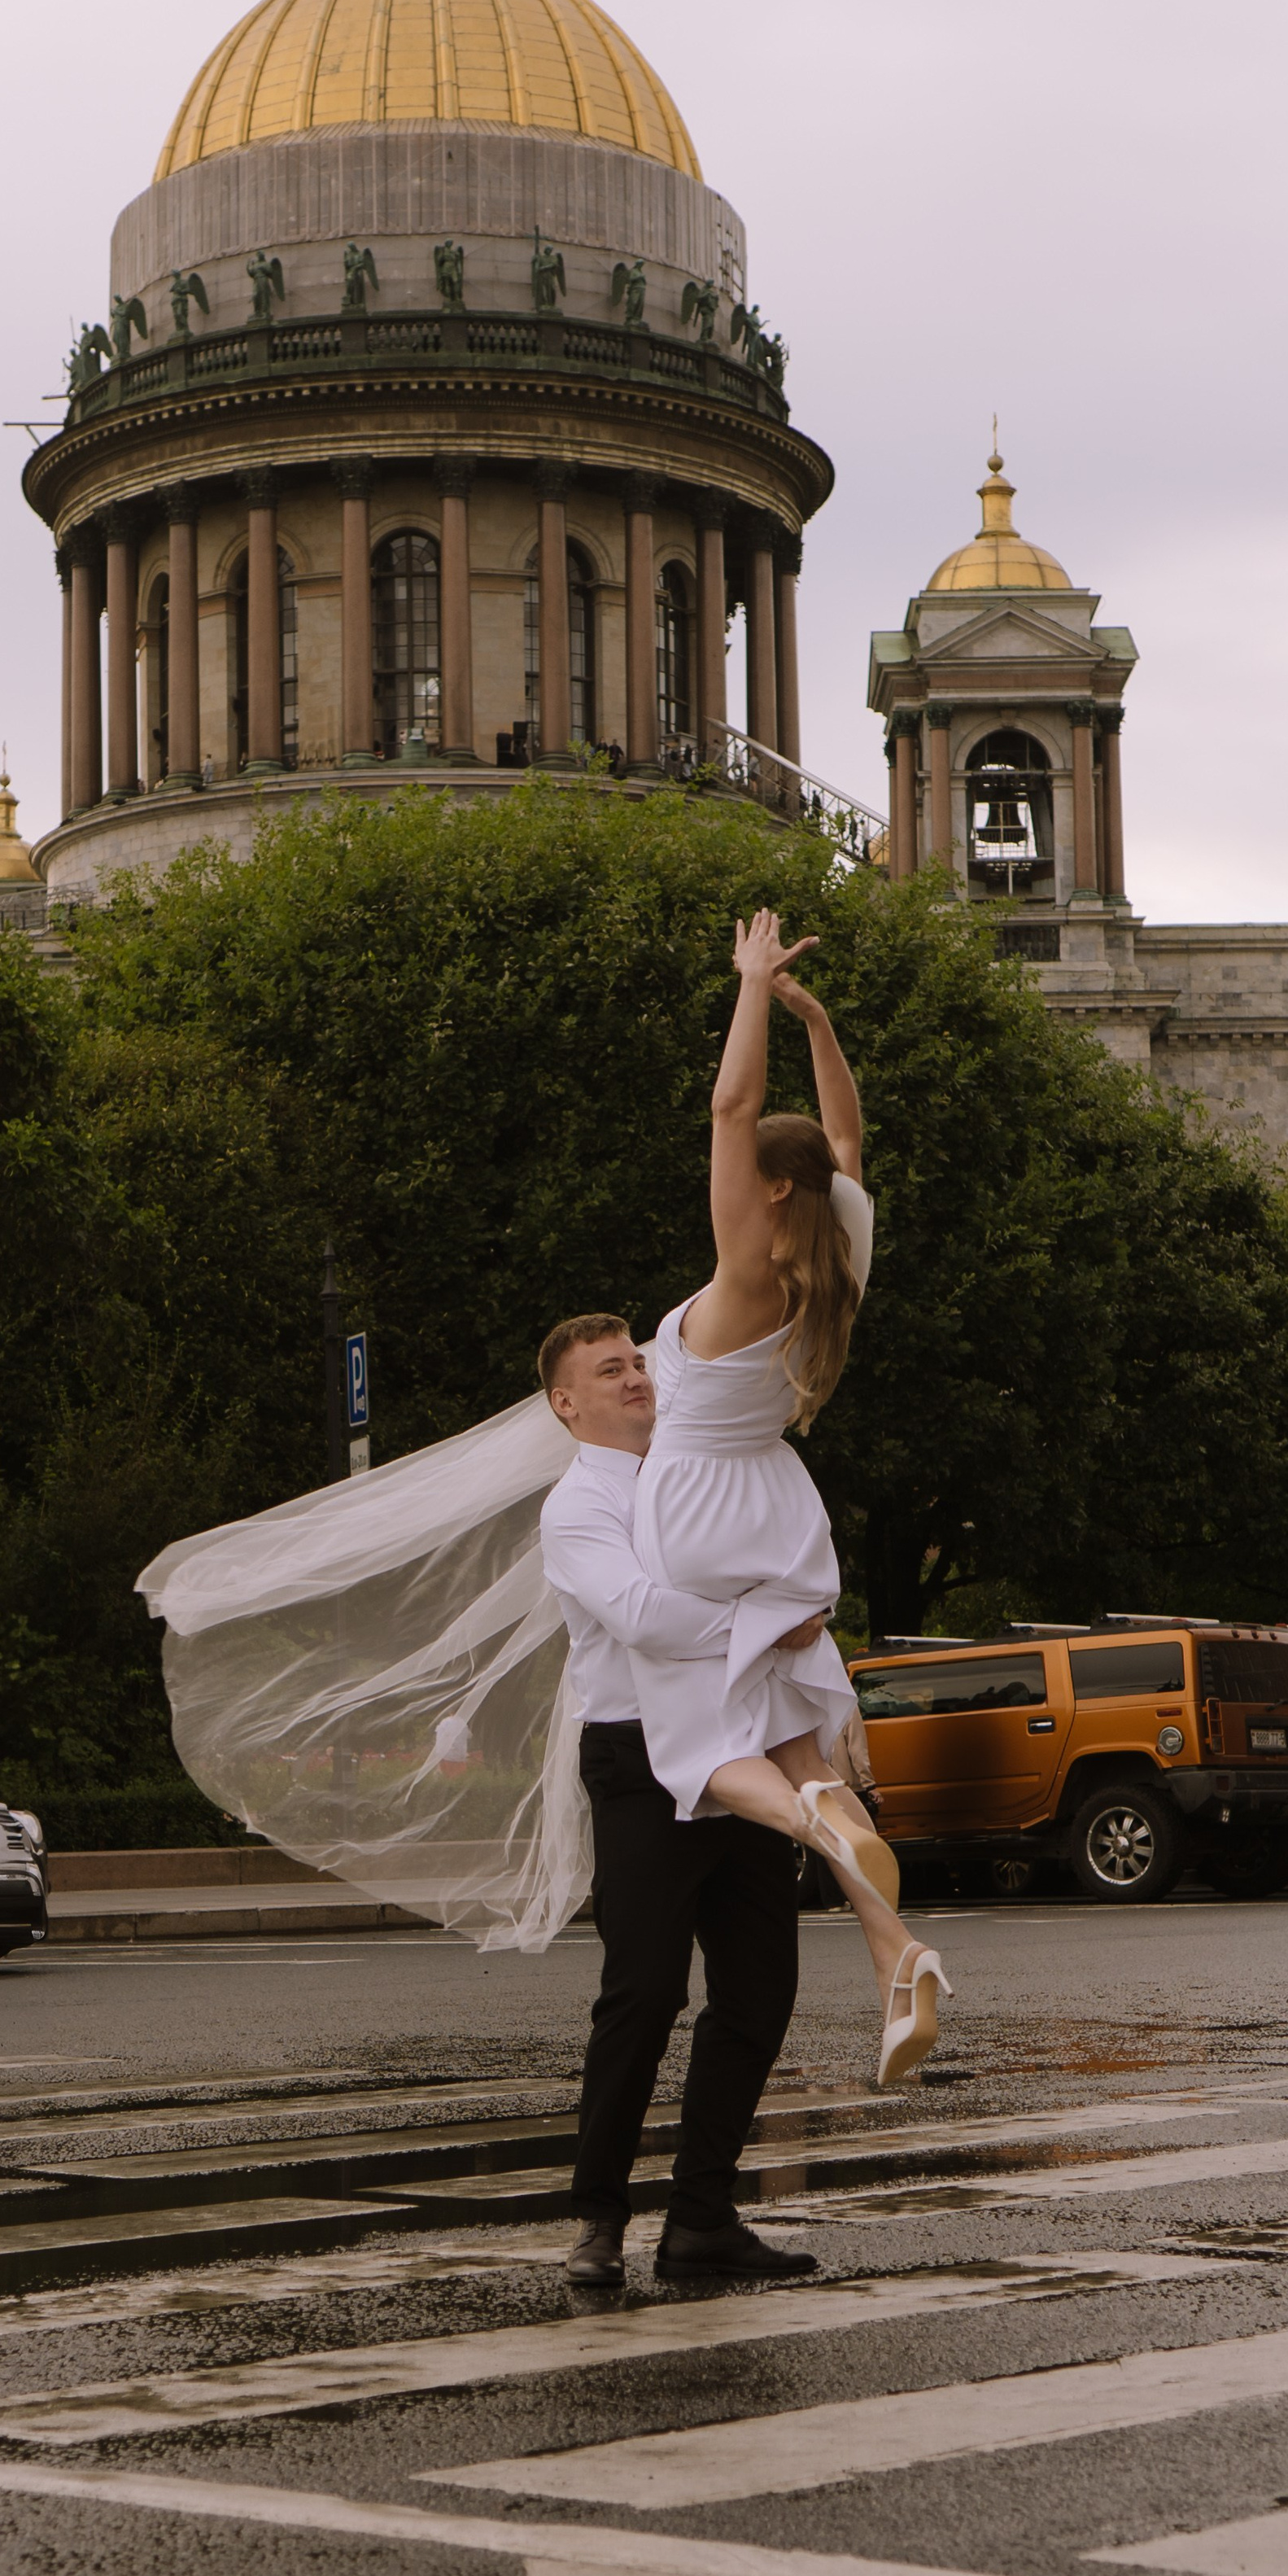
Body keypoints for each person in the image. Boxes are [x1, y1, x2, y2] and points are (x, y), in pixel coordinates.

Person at [625, 908, 950, 2088]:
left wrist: (755, 989)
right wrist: (822, 1023)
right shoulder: (838, 1249)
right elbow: (852, 1142)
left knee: (701, 1746)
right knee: (800, 1742)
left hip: (701, 1512)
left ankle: (820, 1823)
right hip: (778, 1508)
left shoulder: (747, 1263)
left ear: (765, 1186)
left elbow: (727, 1109)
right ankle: (894, 1955)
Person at [538, 1314, 821, 2290]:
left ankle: (702, 2216)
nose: (635, 1377)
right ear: (564, 1404)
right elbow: (642, 1618)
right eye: (608, 1370)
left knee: (758, 1992)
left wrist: (786, 1605)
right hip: (638, 1760)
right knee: (644, 1992)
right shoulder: (578, 1505)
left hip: (737, 1745)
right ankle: (598, 2218)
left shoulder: (694, 1474)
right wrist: (764, 1622)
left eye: (638, 1362)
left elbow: (777, 1555)